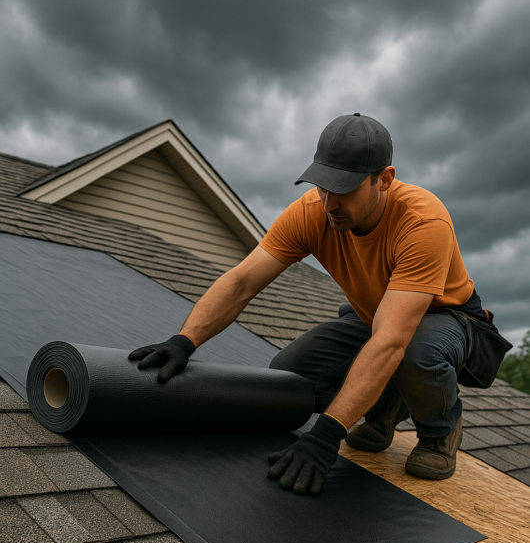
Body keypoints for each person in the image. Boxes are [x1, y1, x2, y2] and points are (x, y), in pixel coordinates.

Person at [130, 113, 486, 496]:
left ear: (384, 179)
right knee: (290, 377)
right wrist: (185, 340)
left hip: (446, 321)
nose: (329, 203)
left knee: (414, 350)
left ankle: (440, 429)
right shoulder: (311, 213)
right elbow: (242, 281)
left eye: (344, 189)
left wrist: (326, 436)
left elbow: (392, 340)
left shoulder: (422, 221)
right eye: (322, 187)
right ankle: (386, 406)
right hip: (374, 317)